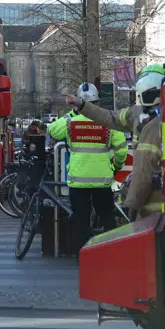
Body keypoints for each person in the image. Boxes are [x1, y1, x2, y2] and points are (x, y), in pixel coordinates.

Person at [69, 64, 165, 217]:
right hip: (155, 198)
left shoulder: (151, 121)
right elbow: (111, 117)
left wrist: (131, 204)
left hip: (154, 202)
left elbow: (144, 168)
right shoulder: (138, 113)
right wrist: (82, 106)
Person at [47, 84, 128, 254]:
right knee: (107, 216)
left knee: (81, 220)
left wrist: (74, 112)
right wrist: (116, 166)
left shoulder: (70, 121)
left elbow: (52, 130)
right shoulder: (107, 123)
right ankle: (110, 251)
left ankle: (83, 255)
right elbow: (121, 149)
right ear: (98, 102)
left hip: (78, 181)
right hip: (102, 181)